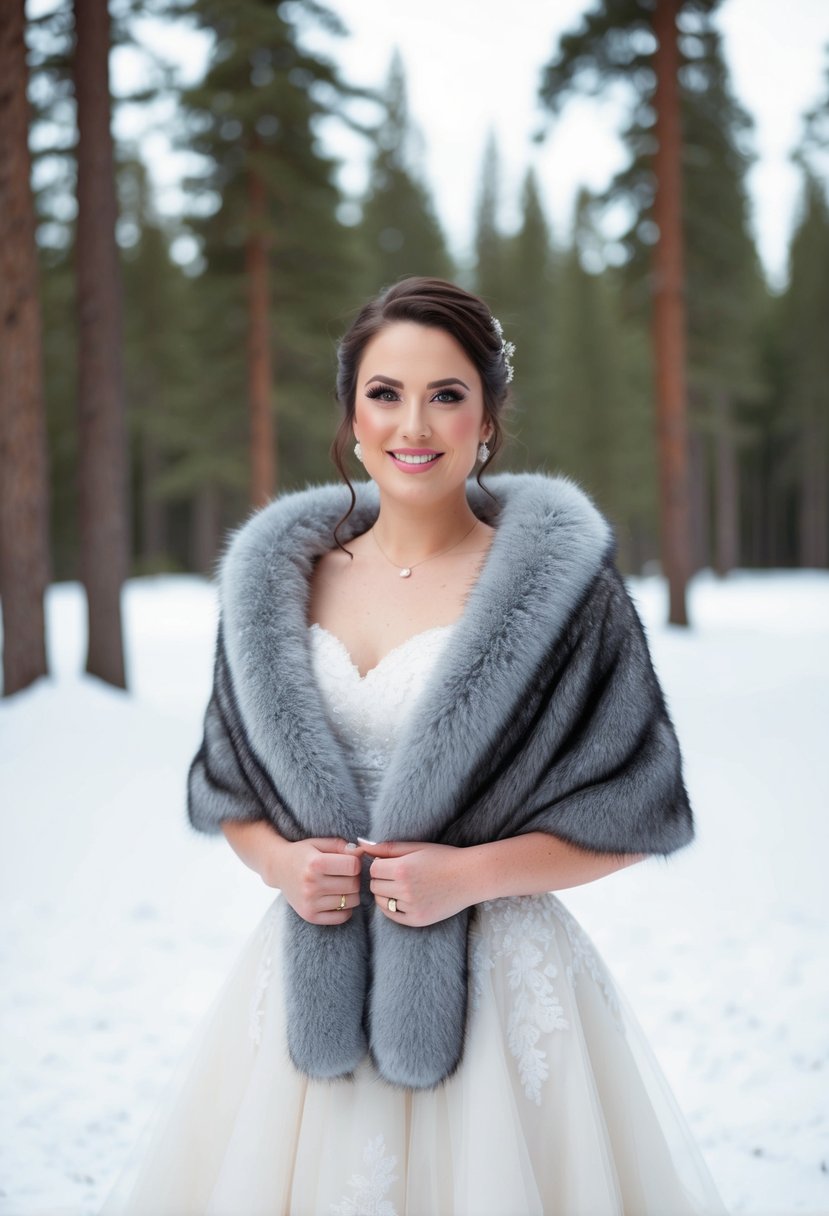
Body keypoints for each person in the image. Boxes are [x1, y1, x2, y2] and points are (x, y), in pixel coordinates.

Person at [100, 276, 728, 1215]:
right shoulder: (276, 586)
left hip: (502, 994)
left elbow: (637, 812)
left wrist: (466, 877)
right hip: (309, 987)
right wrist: (280, 864)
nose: (413, 425)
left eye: (446, 395)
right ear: (352, 416)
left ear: (487, 420)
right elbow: (228, 790)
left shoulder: (564, 595)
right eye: (385, 393)